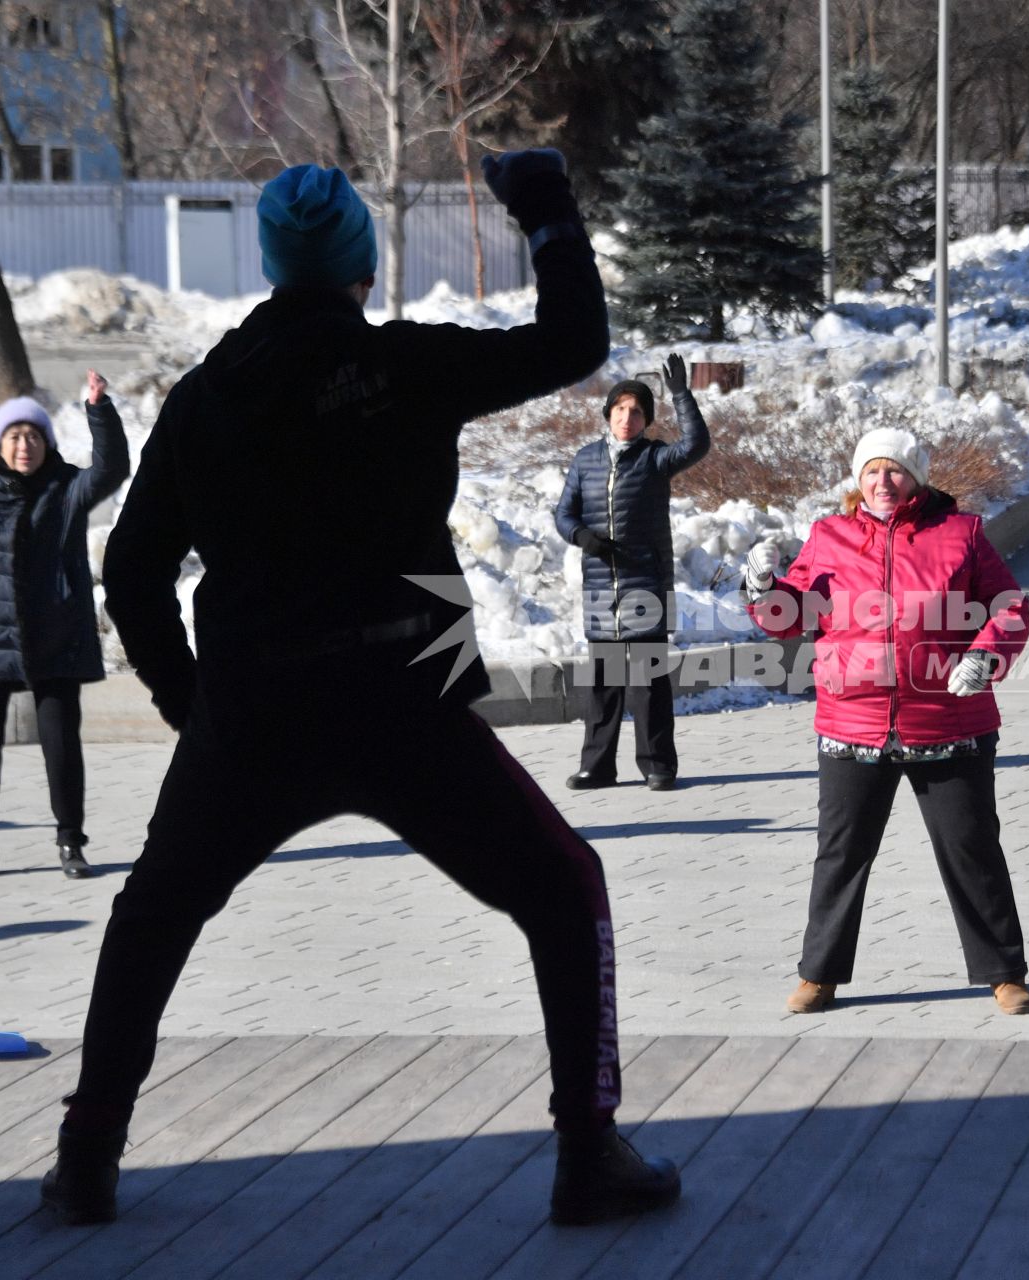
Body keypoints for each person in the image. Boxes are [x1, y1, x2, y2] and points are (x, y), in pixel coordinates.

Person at [38, 156, 678, 1229]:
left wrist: (186, 699)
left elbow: (133, 571)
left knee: (150, 919)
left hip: (253, 713)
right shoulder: (399, 367)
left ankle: (86, 1156)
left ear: (271, 262)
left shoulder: (207, 398)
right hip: (400, 697)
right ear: (362, 265)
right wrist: (548, 215)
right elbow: (573, 345)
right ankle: (586, 1149)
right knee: (563, 888)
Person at [745, 428, 1029, 1018]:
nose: (883, 482)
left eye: (896, 470)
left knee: (972, 848)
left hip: (950, 721)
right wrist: (762, 589)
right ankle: (819, 975)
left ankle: (1003, 973)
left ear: (918, 478)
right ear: (858, 479)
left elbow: (1009, 606)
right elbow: (791, 616)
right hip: (852, 724)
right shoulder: (828, 537)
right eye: (872, 471)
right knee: (841, 854)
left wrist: (985, 656)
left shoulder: (963, 534)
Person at [0, 371, 129, 881]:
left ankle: (70, 843)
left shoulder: (67, 489)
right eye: (14, 436)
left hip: (54, 640)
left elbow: (113, 469)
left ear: (46, 443)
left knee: (61, 746)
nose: (24, 445)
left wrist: (99, 409)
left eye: (33, 436)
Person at [555, 357, 709, 792]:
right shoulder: (585, 460)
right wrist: (581, 536)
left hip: (646, 585)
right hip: (602, 587)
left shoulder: (656, 458)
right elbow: (564, 513)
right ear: (608, 414)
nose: (627, 418)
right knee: (603, 685)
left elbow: (697, 444)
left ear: (646, 420)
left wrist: (680, 394)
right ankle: (598, 767)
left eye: (637, 411)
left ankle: (658, 766)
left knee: (648, 684)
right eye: (620, 409)